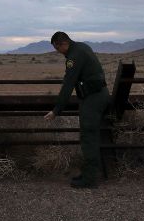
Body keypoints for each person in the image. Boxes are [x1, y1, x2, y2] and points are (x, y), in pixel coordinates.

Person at [44, 31, 109, 189]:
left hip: (93, 98)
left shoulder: (73, 56)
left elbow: (68, 84)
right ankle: (88, 173)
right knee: (89, 136)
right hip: (96, 95)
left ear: (62, 44)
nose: (57, 52)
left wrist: (56, 110)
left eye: (56, 48)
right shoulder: (82, 47)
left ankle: (90, 179)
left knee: (88, 137)